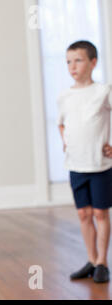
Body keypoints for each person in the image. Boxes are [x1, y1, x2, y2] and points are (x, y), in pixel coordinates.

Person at [57, 40, 112, 283]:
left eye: (78, 60)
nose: (72, 66)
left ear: (93, 62)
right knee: (84, 214)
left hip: (99, 164)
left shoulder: (103, 91)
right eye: (68, 61)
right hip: (75, 165)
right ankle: (91, 259)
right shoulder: (65, 96)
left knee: (100, 213)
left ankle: (102, 262)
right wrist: (65, 140)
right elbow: (61, 123)